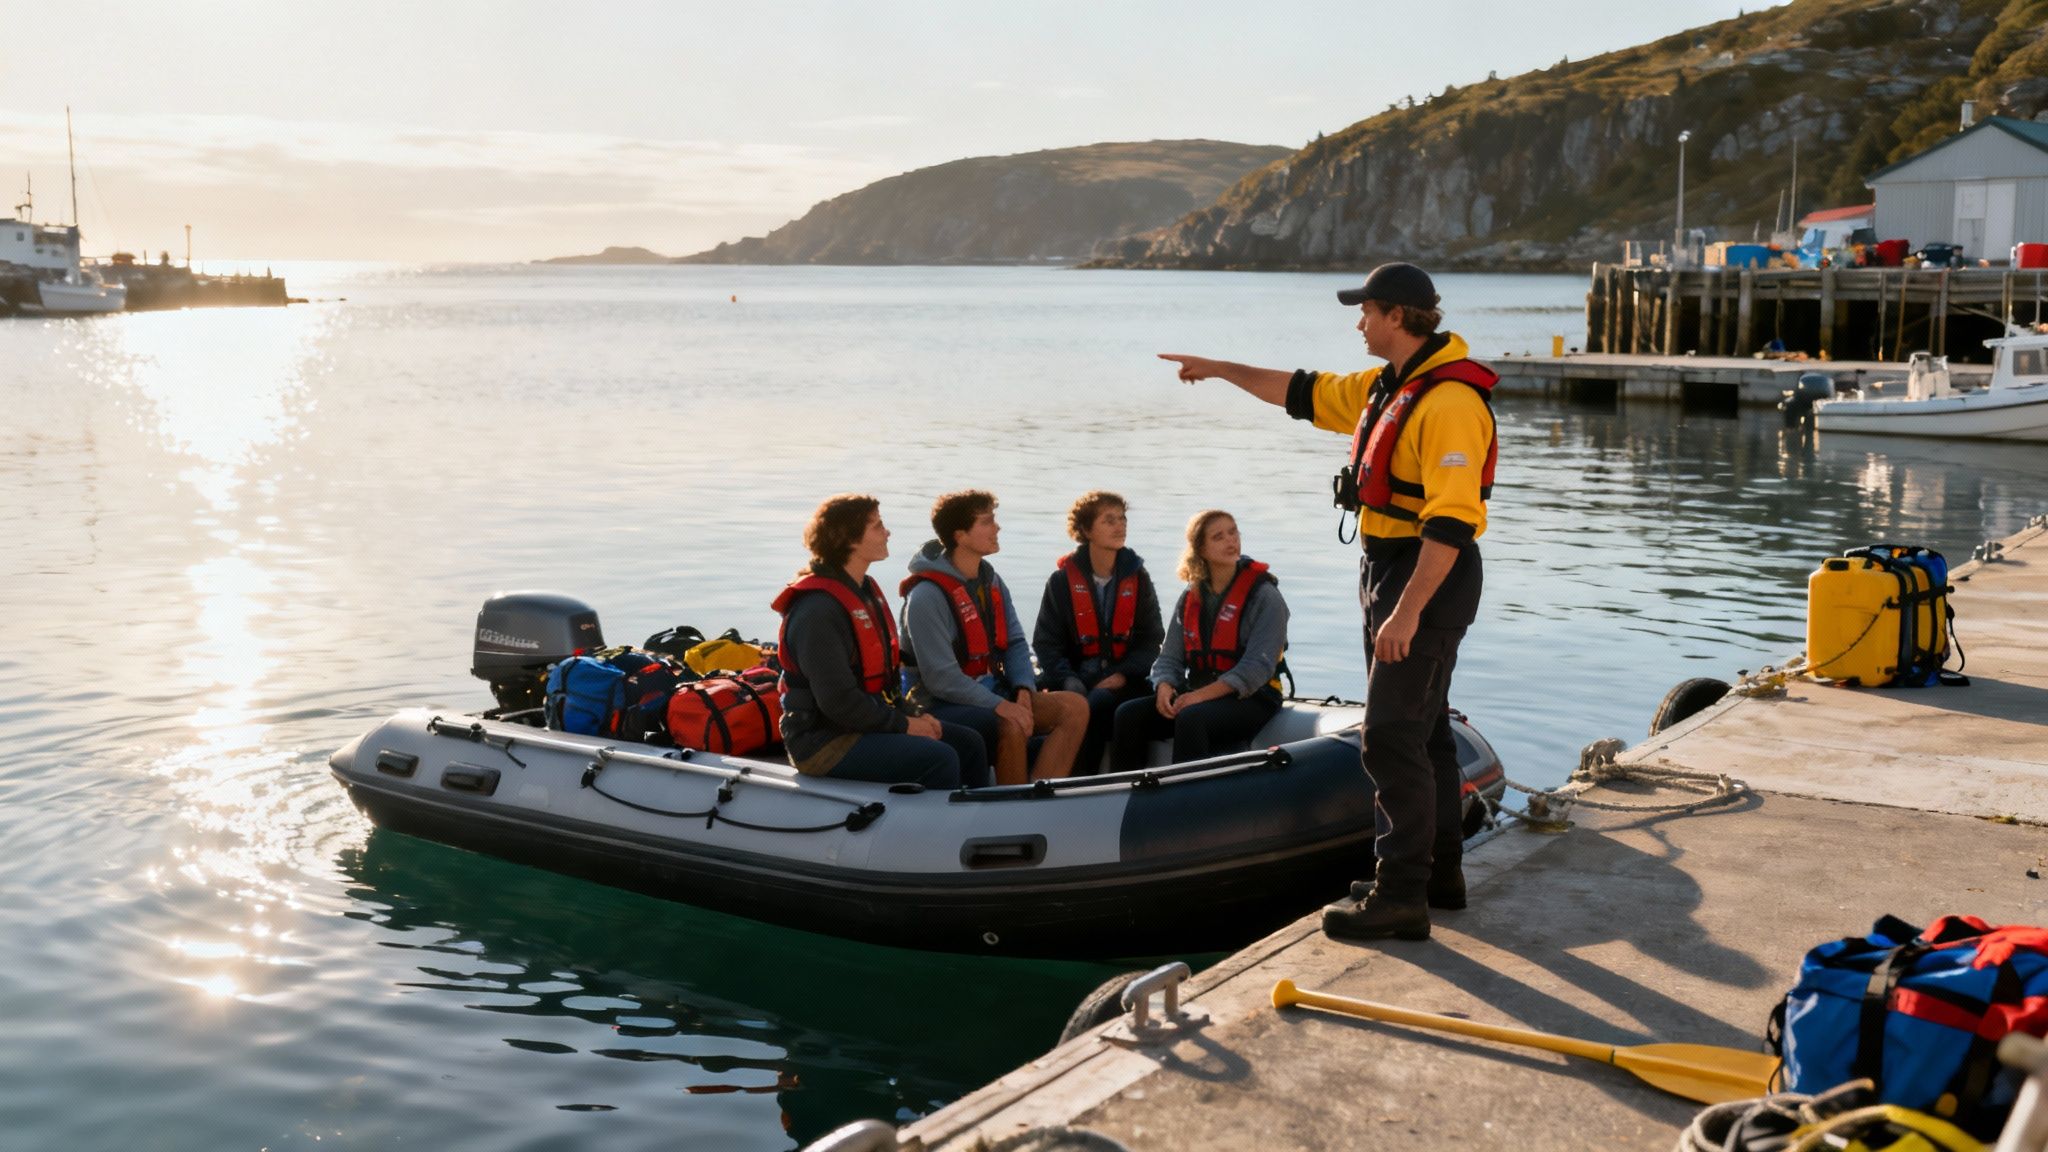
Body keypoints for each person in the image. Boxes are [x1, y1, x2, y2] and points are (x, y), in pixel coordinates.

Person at [1159, 262, 1498, 943]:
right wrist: (1220, 367)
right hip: (1388, 568)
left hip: (1425, 576)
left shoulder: (1449, 402)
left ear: (1397, 316)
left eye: (1367, 311)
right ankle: (1438, 876)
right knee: (1424, 730)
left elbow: (1453, 523)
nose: (1358, 322)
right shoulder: (1387, 387)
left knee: (1390, 734)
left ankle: (1400, 897)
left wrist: (1406, 611)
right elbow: (1296, 390)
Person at [770, 494, 991, 789]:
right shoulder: (818, 611)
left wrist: (914, 715)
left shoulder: (864, 591)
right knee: (940, 757)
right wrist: (906, 725)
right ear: (849, 540)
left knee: (969, 742)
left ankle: (979, 825)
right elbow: (838, 702)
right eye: (877, 526)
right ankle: (938, 831)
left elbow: (881, 686)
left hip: (865, 725)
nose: (887, 532)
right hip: (824, 742)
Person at [900, 490, 1089, 786]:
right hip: (938, 702)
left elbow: (1014, 642)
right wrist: (1001, 705)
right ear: (960, 535)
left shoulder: (991, 581)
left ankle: (1041, 792)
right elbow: (940, 678)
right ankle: (1012, 807)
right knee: (1010, 724)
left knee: (1074, 707)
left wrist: (1023, 688)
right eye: (987, 522)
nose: (997, 528)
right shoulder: (926, 597)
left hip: (992, 691)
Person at [1109, 510, 1287, 771]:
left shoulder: (1266, 597)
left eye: (1233, 532)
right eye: (1218, 537)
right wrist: (1164, 686)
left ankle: (1185, 799)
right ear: (1201, 549)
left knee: (1192, 718)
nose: (1230, 541)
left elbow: (1255, 669)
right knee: (1129, 714)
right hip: (1200, 693)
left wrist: (1199, 697)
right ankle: (1121, 792)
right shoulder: (1191, 597)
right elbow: (1169, 657)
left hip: (1254, 698)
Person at [1033, 491, 1164, 775]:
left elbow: (1151, 639)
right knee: (1079, 703)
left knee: (1101, 704)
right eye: (1109, 520)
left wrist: (1123, 673)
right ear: (1085, 530)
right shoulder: (1061, 582)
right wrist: (1067, 680)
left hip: (1127, 681)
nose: (1120, 526)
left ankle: (1097, 785)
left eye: (1122, 519)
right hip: (1074, 680)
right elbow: (1046, 642)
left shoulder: (1138, 579)